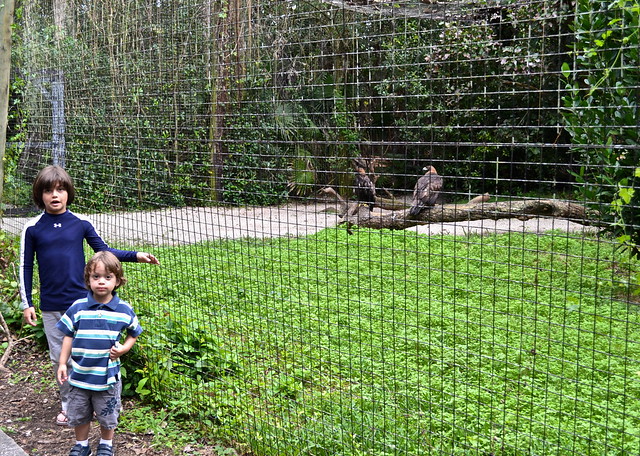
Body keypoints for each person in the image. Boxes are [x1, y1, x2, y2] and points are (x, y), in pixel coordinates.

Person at [19, 165, 159, 426]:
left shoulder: (80, 223)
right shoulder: (33, 228)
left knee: (90, 354)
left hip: (84, 305)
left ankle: (99, 401)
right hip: (52, 306)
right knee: (59, 357)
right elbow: (26, 266)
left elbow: (104, 250)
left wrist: (136, 256)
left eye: (60, 189)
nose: (55, 195)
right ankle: (69, 406)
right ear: (41, 195)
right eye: (48, 190)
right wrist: (27, 303)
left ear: (68, 193)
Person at [56, 251, 141, 456]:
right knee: (79, 414)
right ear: (88, 280)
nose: (101, 282)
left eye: (107, 277)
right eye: (96, 277)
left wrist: (125, 348)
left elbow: (134, 332)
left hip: (107, 378)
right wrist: (61, 363)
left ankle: (106, 444)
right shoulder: (78, 308)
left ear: (118, 281)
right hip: (79, 376)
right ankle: (82, 445)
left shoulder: (123, 309)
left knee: (107, 414)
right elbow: (67, 335)